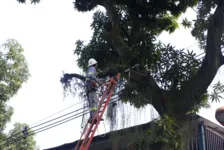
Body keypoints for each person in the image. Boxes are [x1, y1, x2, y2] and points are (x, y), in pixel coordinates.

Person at [85, 58, 105, 123]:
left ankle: (92, 117)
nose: (96, 65)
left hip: (88, 89)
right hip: (91, 88)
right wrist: (97, 80)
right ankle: (94, 116)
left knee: (91, 104)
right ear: (94, 64)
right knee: (94, 102)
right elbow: (90, 76)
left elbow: (90, 77)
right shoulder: (92, 69)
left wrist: (97, 80)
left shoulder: (89, 69)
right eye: (96, 64)